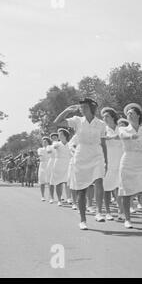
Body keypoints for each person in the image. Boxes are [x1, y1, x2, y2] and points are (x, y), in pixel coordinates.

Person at [53, 98, 108, 230]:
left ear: (92, 108)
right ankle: (83, 220)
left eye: (85, 107)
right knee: (81, 190)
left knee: (99, 181)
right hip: (81, 156)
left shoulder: (101, 124)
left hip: (96, 154)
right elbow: (57, 122)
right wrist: (67, 110)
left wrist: (107, 160)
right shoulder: (77, 120)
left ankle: (99, 212)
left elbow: (103, 143)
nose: (82, 109)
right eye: (81, 107)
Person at [118, 103, 142, 227]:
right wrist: (131, 136)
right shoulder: (123, 129)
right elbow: (123, 136)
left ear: (138, 115)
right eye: (127, 114)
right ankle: (127, 219)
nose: (129, 115)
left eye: (131, 113)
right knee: (126, 192)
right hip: (127, 161)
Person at [101, 107, 123, 221]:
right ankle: (108, 211)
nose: (105, 118)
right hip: (107, 162)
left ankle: (121, 210)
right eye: (103, 117)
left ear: (113, 117)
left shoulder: (121, 129)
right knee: (107, 188)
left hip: (121, 161)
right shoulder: (103, 130)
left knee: (120, 187)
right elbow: (101, 141)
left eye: (107, 116)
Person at [51, 128, 72, 207]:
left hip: (68, 163)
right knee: (58, 183)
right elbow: (54, 146)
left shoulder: (70, 144)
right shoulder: (56, 143)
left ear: (65, 135)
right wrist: (56, 145)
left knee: (68, 182)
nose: (59, 136)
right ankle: (59, 200)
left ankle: (69, 198)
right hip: (58, 164)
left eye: (60, 134)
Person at [38, 137, 52, 201]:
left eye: (45, 141)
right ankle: (42, 196)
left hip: (49, 164)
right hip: (42, 165)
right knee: (42, 181)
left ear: (48, 142)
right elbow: (41, 155)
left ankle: (50, 196)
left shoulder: (51, 148)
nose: (44, 143)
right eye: (43, 142)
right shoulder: (40, 149)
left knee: (50, 182)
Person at [47, 133, 59, 203]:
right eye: (52, 138)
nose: (54, 138)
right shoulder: (49, 146)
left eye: (55, 137)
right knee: (51, 181)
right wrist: (54, 146)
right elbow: (48, 151)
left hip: (59, 161)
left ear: (58, 138)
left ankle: (60, 197)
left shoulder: (61, 145)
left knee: (59, 181)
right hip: (52, 162)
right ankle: (52, 197)